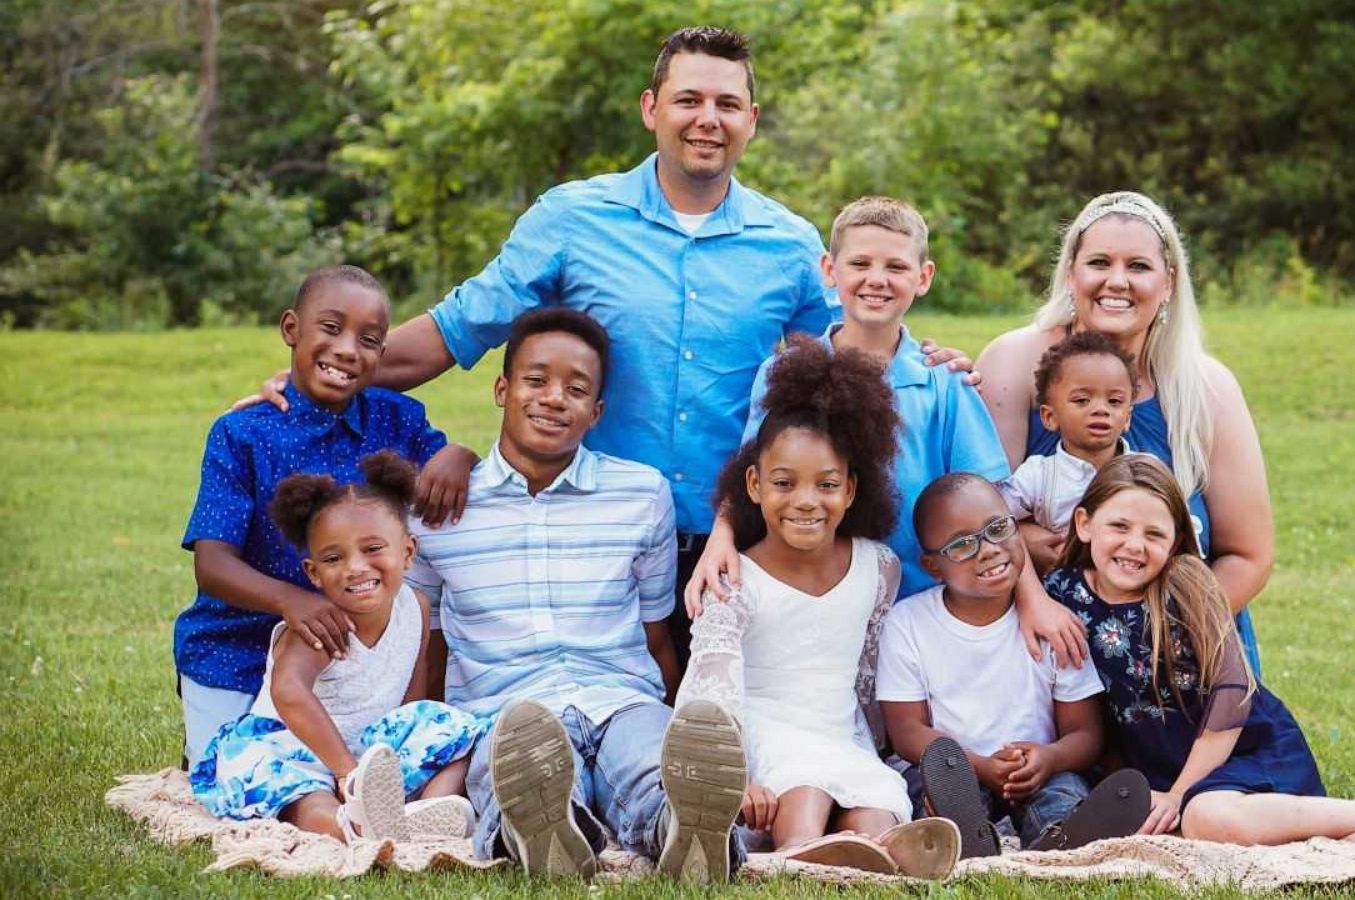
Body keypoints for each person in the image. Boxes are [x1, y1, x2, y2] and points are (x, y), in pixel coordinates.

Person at [236, 27, 970, 666]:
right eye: (688, 99)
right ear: (652, 109)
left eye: (725, 104)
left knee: (741, 737)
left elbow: (848, 360)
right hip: (601, 536)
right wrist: (326, 375)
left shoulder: (789, 244)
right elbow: (458, 328)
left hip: (742, 539)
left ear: (751, 120)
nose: (705, 118)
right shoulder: (573, 219)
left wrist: (931, 361)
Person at [404, 308, 746, 881]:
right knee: (520, 767)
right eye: (536, 381)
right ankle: (547, 831)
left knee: (650, 763)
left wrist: (670, 705)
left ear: (597, 412)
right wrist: (419, 735)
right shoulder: (440, 507)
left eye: (576, 389)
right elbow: (426, 636)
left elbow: (654, 631)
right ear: (502, 389)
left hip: (621, 696)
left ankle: (684, 831)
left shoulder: (640, 494)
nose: (554, 398)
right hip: (507, 712)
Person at [1043, 455, 1355, 846]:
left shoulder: (1185, 586)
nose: (1134, 545)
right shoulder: (1062, 594)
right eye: (1118, 526)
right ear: (1084, 523)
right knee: (1183, 822)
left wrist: (1180, 794)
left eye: (1154, 534)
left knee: (1206, 818)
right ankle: (1331, 838)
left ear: (1176, 541)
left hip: (1246, 749)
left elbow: (1232, 691)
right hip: (1160, 768)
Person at [677, 339, 960, 879]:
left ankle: (880, 850)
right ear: (754, 486)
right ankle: (800, 855)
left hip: (839, 731)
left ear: (852, 489)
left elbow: (866, 672)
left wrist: (880, 749)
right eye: (784, 484)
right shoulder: (734, 579)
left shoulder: (877, 568)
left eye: (826, 485)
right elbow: (708, 693)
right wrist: (733, 777)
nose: (806, 500)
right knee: (805, 784)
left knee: (876, 793)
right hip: (763, 732)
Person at [175, 265, 473, 769]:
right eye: (330, 328)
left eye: (369, 339)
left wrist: (460, 455)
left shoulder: (397, 419)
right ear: (292, 329)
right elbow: (212, 564)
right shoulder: (241, 433)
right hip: (236, 651)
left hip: (349, 659)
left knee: (356, 767)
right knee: (234, 783)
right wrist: (294, 601)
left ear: (383, 353)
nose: (347, 349)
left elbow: (450, 477)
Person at [977, 191, 1270, 671]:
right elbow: (983, 516)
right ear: (1071, 273)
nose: (1117, 281)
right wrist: (1029, 570)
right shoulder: (1015, 361)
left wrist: (1167, 636)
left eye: (1138, 266)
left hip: (1175, 642)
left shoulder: (1206, 387)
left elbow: (1249, 554)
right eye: (1099, 262)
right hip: (1047, 636)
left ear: (1168, 282)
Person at [687, 196, 1010, 603]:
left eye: (896, 267)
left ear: (924, 277)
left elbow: (989, 503)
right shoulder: (781, 373)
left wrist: (1029, 597)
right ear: (829, 269)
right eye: (859, 264)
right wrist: (721, 537)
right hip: (809, 596)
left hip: (916, 601)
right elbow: (752, 470)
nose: (877, 279)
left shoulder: (944, 382)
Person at [190, 452, 486, 843]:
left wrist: (402, 752)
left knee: (457, 731)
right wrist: (346, 772)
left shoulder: (414, 606)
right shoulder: (321, 626)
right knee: (303, 793)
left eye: (373, 549)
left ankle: (427, 809)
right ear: (313, 572)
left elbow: (411, 701)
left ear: (408, 553)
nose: (355, 568)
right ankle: (348, 826)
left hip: (371, 751)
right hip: (297, 748)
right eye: (334, 557)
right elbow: (288, 692)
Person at [878, 473, 1150, 858]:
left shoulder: (1055, 625)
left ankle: (1061, 839)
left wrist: (1049, 757)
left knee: (1064, 790)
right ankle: (965, 837)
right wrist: (980, 766)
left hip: (1040, 767)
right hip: (957, 770)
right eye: (961, 545)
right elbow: (907, 732)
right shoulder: (909, 624)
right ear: (933, 566)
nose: (987, 549)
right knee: (930, 788)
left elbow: (1086, 733)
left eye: (997, 528)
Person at [997, 331, 1134, 573]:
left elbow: (1177, 528)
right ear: (1050, 417)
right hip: (1057, 600)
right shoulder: (1038, 476)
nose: (1101, 409)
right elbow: (993, 519)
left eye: (1114, 401)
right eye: (1082, 400)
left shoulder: (1145, 472)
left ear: (1127, 418)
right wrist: (1024, 537)